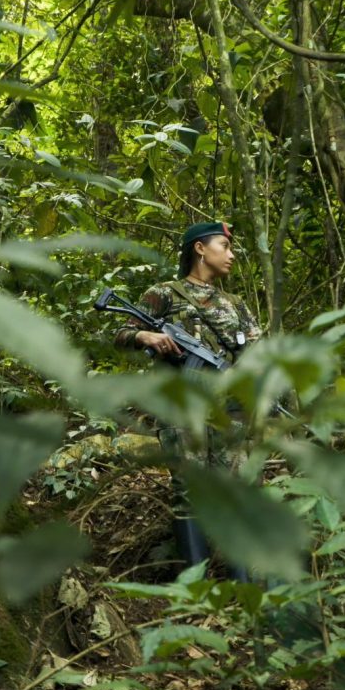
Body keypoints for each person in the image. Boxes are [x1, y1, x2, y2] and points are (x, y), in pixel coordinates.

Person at [111, 221, 264, 580]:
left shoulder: (235, 304)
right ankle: (196, 588)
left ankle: (243, 583)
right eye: (224, 246)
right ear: (199, 248)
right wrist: (146, 336)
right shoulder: (164, 293)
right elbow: (120, 332)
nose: (231, 254)